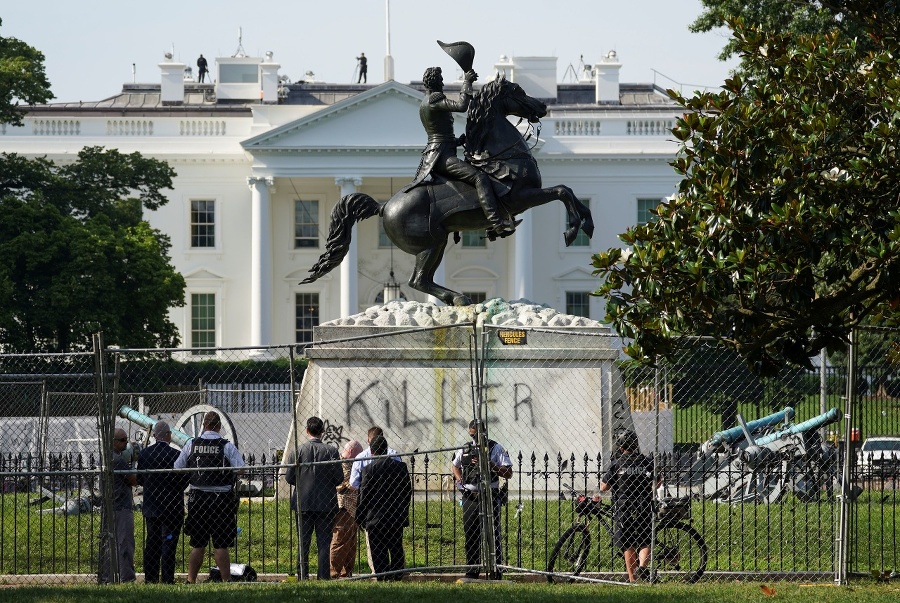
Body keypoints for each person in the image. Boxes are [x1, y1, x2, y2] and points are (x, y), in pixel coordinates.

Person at [400, 65, 516, 237]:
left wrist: (457, 141)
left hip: (439, 152)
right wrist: (466, 82)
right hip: (442, 157)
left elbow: (437, 133)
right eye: (440, 79)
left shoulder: (424, 103)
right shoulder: (434, 99)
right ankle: (495, 223)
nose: (442, 82)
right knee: (480, 177)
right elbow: (462, 106)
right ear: (435, 82)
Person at [174, 410, 244, 583]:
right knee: (221, 543)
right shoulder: (226, 446)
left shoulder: (192, 444)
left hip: (198, 499)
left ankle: (191, 580)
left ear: (204, 425)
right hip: (221, 500)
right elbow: (241, 469)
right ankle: (226, 580)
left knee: (198, 543)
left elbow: (177, 466)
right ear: (219, 427)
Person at [451, 419, 512, 580]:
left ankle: (495, 571)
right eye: (471, 435)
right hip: (470, 497)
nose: (474, 439)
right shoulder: (465, 448)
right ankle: (472, 570)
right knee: (471, 535)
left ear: (484, 432)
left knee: (492, 534)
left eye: (476, 435)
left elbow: (509, 473)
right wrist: (459, 480)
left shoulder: (496, 448)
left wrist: (491, 465)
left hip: (489, 495)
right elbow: (455, 465)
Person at [284, 416, 344, 580]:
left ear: (307, 431)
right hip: (326, 503)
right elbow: (339, 478)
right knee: (324, 543)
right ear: (322, 432)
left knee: (303, 543)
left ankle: (302, 576)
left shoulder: (298, 451)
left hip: (303, 502)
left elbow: (289, 478)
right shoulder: (331, 451)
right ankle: (323, 576)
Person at [598, 429, 654, 583]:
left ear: (621, 447)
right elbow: (658, 480)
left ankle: (633, 579)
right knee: (645, 539)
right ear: (636, 445)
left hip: (624, 507)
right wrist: (648, 489)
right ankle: (642, 567)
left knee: (627, 542)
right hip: (643, 504)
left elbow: (604, 487)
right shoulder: (646, 462)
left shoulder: (617, 464)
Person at [137, 421, 189, 584]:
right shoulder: (176, 455)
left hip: (152, 507)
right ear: (169, 435)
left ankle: (150, 578)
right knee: (169, 543)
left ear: (154, 436)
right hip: (172, 507)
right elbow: (185, 479)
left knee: (152, 543)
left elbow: (140, 479)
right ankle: (167, 578)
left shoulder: (145, 454)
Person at [355, 434, 411, 581]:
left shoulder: (368, 469)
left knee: (378, 550)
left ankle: (382, 575)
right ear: (386, 449)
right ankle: (397, 575)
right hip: (395, 516)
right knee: (396, 547)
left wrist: (359, 517)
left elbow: (364, 495)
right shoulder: (400, 467)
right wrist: (403, 509)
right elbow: (407, 491)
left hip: (375, 517)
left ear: (372, 452)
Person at [348, 426, 402, 573]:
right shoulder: (395, 456)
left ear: (368, 441)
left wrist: (360, 514)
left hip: (373, 509)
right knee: (395, 543)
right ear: (383, 439)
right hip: (394, 506)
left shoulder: (362, 459)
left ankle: (379, 572)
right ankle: (397, 572)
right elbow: (403, 486)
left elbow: (355, 484)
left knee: (375, 545)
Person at [99, 427, 138, 583]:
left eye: (126, 440)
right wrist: (134, 463)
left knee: (108, 544)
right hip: (122, 506)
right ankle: (126, 577)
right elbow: (133, 480)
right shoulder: (119, 460)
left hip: (109, 505)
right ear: (113, 442)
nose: (125, 443)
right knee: (125, 544)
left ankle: (107, 577)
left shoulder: (107, 458)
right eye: (122, 441)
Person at [330, 439, 363, 578]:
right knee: (341, 541)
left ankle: (346, 572)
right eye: (359, 454)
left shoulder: (350, 464)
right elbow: (344, 484)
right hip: (344, 507)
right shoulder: (343, 465)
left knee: (350, 543)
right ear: (351, 452)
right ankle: (333, 572)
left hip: (353, 508)